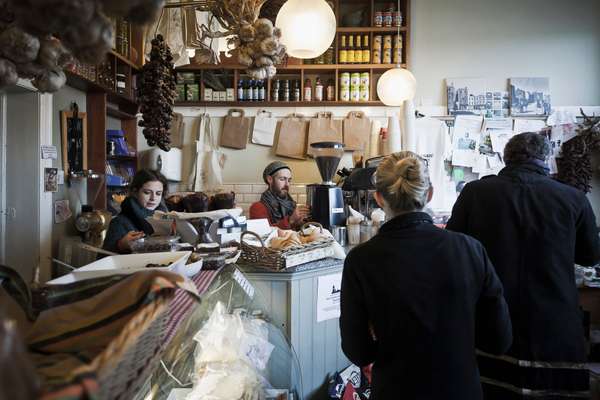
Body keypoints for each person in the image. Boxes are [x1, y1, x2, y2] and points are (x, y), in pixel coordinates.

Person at [340, 151, 512, 400]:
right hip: (460, 388)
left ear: (378, 198)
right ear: (429, 194)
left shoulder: (361, 260)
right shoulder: (470, 250)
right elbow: (499, 340)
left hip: (396, 388)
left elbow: (358, 351)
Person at [446, 132, 600, 399]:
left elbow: (454, 248)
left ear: (506, 158)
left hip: (493, 313)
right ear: (546, 158)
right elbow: (590, 256)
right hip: (554, 316)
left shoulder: (475, 192)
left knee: (494, 389)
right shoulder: (573, 198)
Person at [103, 169, 168, 254]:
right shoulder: (119, 222)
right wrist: (120, 245)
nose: (153, 198)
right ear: (135, 192)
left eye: (158, 194)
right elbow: (101, 259)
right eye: (147, 192)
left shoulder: (168, 220)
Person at [249, 161, 310, 230]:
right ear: (270, 179)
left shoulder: (292, 205)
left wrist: (300, 223)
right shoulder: (257, 207)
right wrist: (290, 220)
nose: (287, 184)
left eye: (289, 180)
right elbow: (263, 234)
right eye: (282, 179)